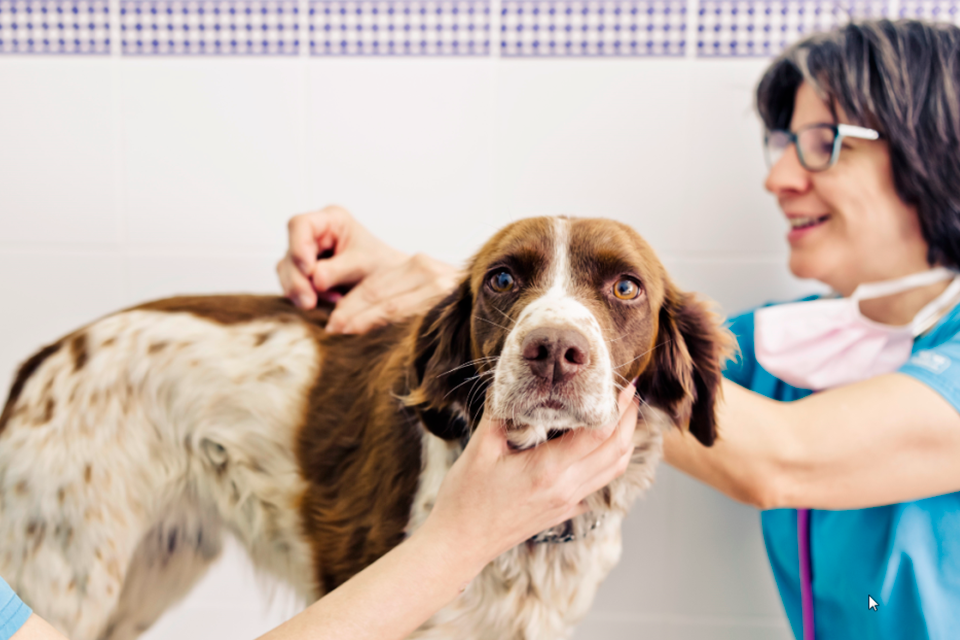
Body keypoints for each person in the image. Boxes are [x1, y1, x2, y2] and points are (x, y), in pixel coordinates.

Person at [4, 17, 960, 640]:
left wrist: (447, 283)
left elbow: (781, 455)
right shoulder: (782, 337)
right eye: (780, 144)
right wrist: (449, 290)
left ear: (934, 142)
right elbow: (580, 325)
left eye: (821, 142)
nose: (779, 176)